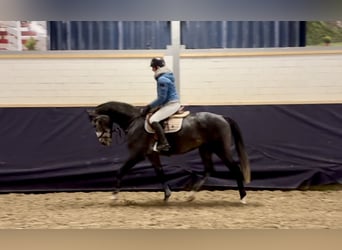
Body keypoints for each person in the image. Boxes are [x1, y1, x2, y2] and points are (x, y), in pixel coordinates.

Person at [141, 57, 181, 152]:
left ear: (157, 67)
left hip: (171, 104)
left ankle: (164, 143)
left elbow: (162, 98)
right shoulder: (166, 77)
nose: (152, 70)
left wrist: (149, 106)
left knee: (153, 119)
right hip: (168, 103)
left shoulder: (162, 79)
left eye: (153, 67)